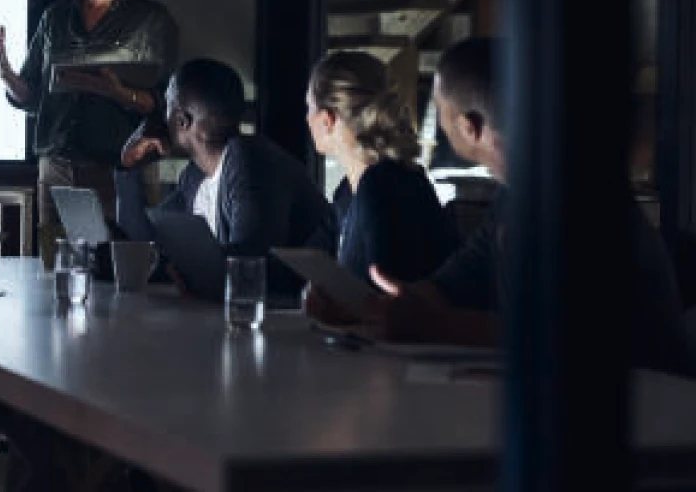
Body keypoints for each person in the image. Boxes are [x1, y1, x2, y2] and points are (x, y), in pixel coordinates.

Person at [351, 37, 692, 376]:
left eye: (441, 110)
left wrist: (438, 326)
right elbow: (452, 286)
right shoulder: (517, 194)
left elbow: (567, 339)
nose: (438, 124)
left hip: (650, 409)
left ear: (471, 127)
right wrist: (362, 310)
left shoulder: (573, 195)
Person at [0, 0, 179, 238]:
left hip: (118, 167)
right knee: (54, 264)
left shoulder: (153, 20)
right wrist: (4, 72)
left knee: (116, 266)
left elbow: (169, 105)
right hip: (57, 165)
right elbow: (33, 99)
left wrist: (121, 95)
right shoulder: (55, 17)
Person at [115, 58, 337, 296]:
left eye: (167, 107)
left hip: (295, 321)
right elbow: (144, 245)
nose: (161, 118)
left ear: (182, 121)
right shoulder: (194, 176)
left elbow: (247, 268)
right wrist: (129, 166)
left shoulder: (251, 161)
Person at [305, 51, 460, 283]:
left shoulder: (384, 185)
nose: (307, 118)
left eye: (309, 107)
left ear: (328, 119)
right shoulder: (348, 192)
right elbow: (309, 261)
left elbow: (385, 295)